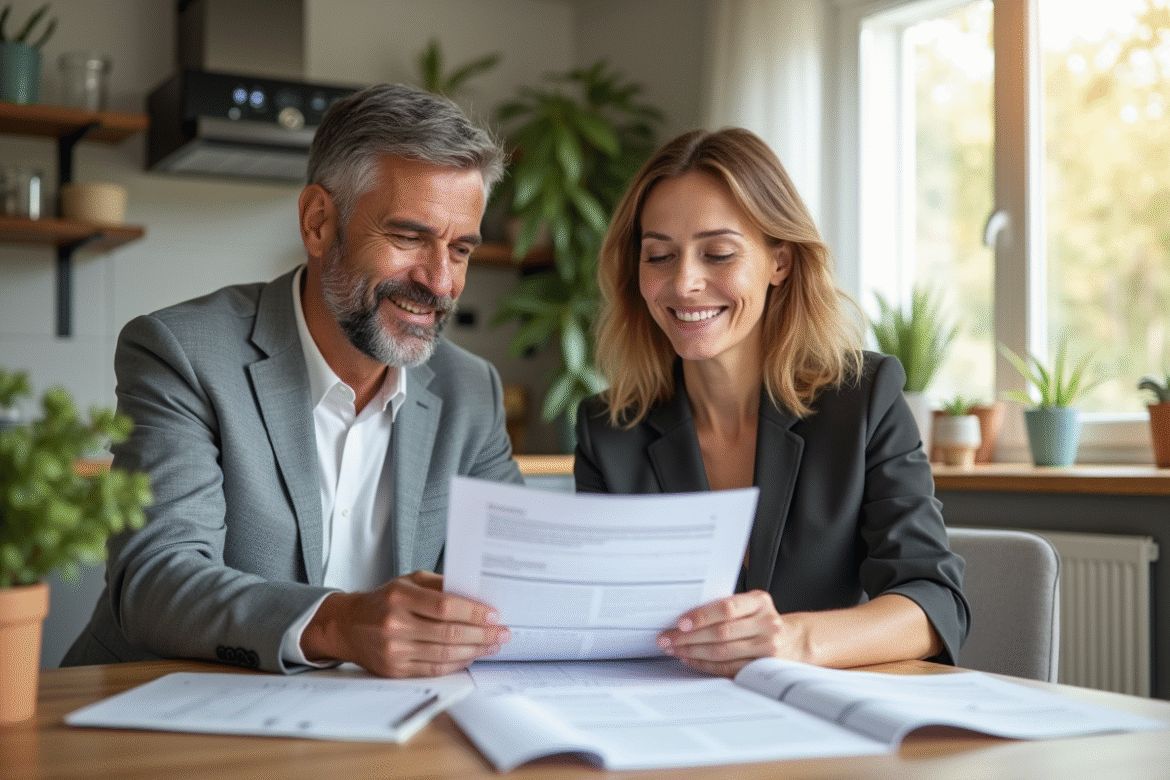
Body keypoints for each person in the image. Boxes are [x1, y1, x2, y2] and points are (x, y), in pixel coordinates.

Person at [63, 83, 520, 677]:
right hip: (161, 722)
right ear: (319, 222)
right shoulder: (181, 353)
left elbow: (517, 576)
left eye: (460, 249)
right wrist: (340, 624)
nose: (439, 281)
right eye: (409, 236)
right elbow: (155, 582)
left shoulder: (471, 390)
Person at [574, 127, 970, 677]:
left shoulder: (862, 399)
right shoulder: (608, 429)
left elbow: (932, 604)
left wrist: (792, 640)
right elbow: (594, 616)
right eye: (659, 255)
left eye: (717, 253)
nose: (684, 282)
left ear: (779, 262)